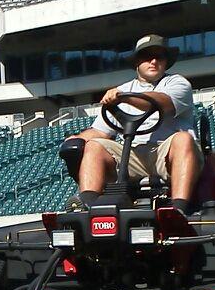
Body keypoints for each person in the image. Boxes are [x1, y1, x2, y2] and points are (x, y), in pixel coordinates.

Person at [65, 33, 202, 212]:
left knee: (183, 139)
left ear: (166, 61)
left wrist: (123, 98)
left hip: (166, 153)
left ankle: (178, 210)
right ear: (137, 61)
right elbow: (100, 131)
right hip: (133, 154)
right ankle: (88, 205)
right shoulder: (122, 90)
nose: (153, 61)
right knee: (94, 146)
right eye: (147, 56)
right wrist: (76, 138)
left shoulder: (177, 83)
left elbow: (162, 102)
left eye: (159, 56)